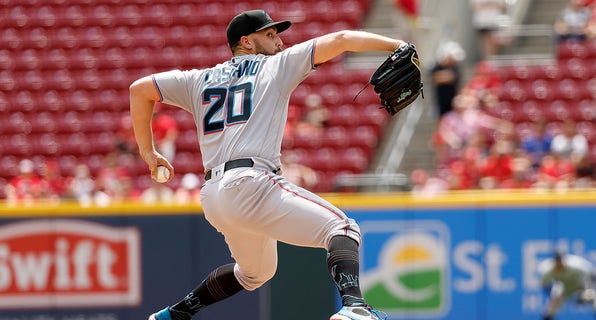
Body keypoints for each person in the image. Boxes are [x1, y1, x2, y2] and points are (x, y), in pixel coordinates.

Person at [129, 9, 405, 320]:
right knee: (342, 228)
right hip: (251, 181)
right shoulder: (275, 65)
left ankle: (174, 315)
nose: (279, 41)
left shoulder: (198, 79)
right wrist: (396, 44)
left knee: (254, 274)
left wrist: (148, 152)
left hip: (214, 196)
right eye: (270, 35)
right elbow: (341, 39)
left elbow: (139, 89)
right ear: (246, 42)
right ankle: (355, 307)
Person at [538, 252, 596, 320]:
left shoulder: (576, 265)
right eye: (557, 262)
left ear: (564, 260)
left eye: (560, 261)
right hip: (564, 288)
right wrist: (552, 296)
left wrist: (590, 290)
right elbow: (544, 284)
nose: (559, 264)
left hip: (581, 286)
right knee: (551, 309)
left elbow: (593, 274)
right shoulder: (549, 269)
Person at [430, 41, 465, 118]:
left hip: (453, 102)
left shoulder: (455, 68)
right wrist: (446, 76)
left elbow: (454, 78)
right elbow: (434, 78)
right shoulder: (437, 67)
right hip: (441, 101)